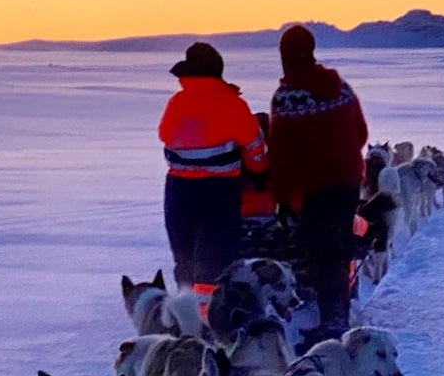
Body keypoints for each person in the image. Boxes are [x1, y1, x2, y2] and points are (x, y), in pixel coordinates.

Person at [268, 24, 368, 342]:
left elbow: (281, 154)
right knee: (336, 251)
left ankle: (333, 327)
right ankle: (337, 316)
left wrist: (281, 197)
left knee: (321, 255)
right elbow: (361, 133)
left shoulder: (287, 98)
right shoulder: (341, 88)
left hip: (315, 187)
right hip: (348, 180)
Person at [157, 42, 268, 299]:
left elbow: (164, 135)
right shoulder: (232, 104)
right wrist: (259, 172)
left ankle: (186, 318)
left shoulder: (176, 103)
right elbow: (255, 147)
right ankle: (211, 317)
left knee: (185, 256)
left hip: (178, 190)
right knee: (215, 259)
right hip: (219, 191)